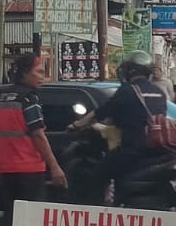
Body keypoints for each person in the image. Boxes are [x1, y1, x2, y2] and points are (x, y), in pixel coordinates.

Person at [0, 54, 68, 226]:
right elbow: (38, 135)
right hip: (29, 166)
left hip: (7, 167)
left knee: (10, 212)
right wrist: (54, 166)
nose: (42, 77)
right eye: (39, 72)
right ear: (25, 73)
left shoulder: (3, 98)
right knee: (33, 214)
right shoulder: (29, 100)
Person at [69, 50, 168, 201]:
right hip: (157, 151)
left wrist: (77, 124)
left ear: (130, 71)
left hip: (132, 150)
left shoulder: (127, 91)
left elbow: (101, 113)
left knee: (97, 176)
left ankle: (97, 212)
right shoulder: (159, 92)